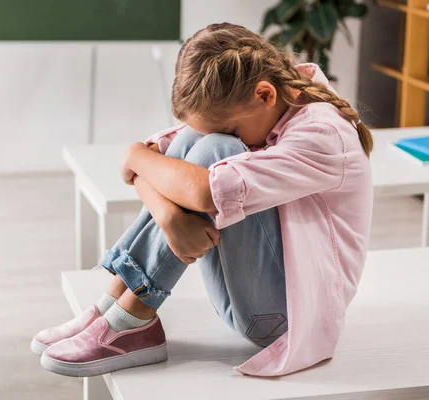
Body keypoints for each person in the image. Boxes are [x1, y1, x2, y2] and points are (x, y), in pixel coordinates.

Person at [32, 22, 373, 378]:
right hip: (246, 299)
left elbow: (201, 190)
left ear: (264, 94)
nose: (227, 135)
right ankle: (112, 309)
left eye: (233, 128)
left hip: (285, 317)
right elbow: (150, 163)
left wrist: (135, 156)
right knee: (195, 147)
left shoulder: (323, 134)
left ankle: (133, 316)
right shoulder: (264, 99)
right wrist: (169, 218)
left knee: (217, 150)